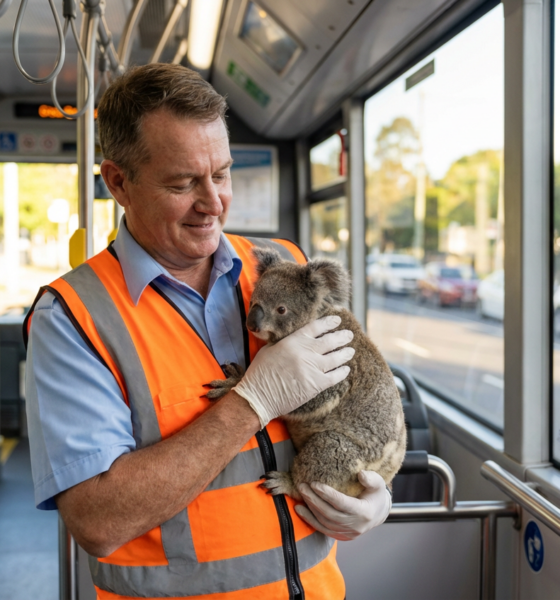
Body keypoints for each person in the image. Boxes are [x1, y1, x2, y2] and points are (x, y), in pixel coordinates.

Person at [25, 63, 392, 600]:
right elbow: (98, 522)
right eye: (182, 183)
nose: (212, 202)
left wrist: (372, 493)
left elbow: (359, 393)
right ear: (118, 183)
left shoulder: (283, 267)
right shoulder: (74, 316)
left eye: (220, 174)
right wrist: (253, 401)